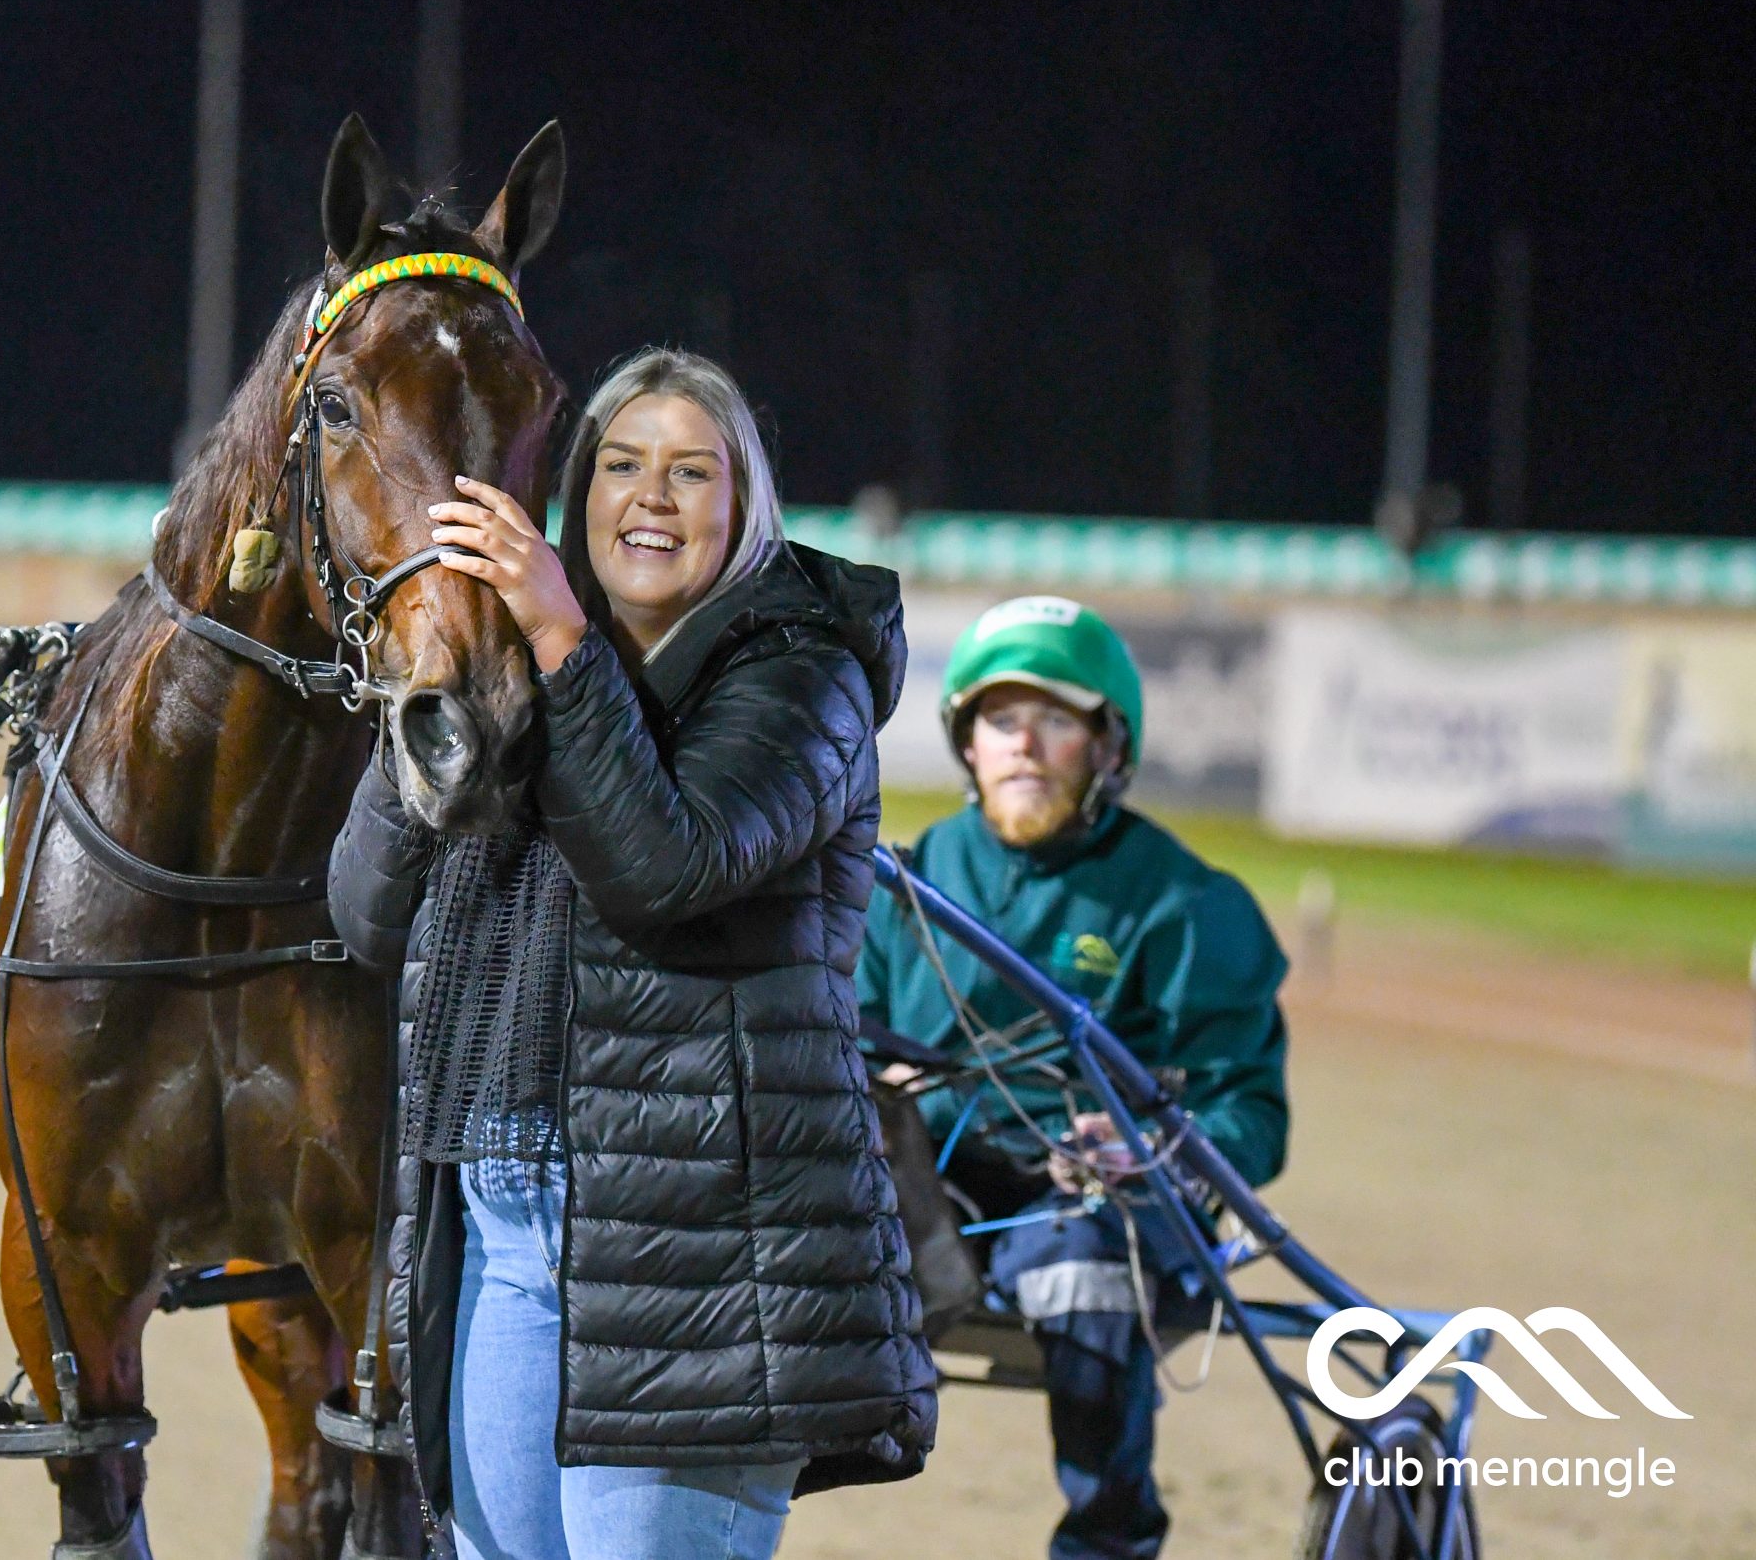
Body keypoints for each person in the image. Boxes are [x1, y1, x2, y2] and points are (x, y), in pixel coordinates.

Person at [329, 348, 939, 1560]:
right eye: (621, 465)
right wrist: (444, 677)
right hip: (504, 1234)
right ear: (576, 496)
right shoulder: (519, 664)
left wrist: (562, 643)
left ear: (742, 506)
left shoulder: (800, 669)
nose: (650, 496)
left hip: (700, 1261)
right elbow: (367, 915)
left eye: (689, 471)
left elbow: (664, 867)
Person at [854, 595, 1290, 1560]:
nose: (1025, 745)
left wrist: (1161, 1152)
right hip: (937, 1196)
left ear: (1108, 745)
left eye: (1056, 720)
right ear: (967, 741)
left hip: (1099, 1207)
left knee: (1082, 1264)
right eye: (1001, 720)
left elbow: (1250, 1113)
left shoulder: (1185, 906)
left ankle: (1107, 1539)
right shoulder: (902, 884)